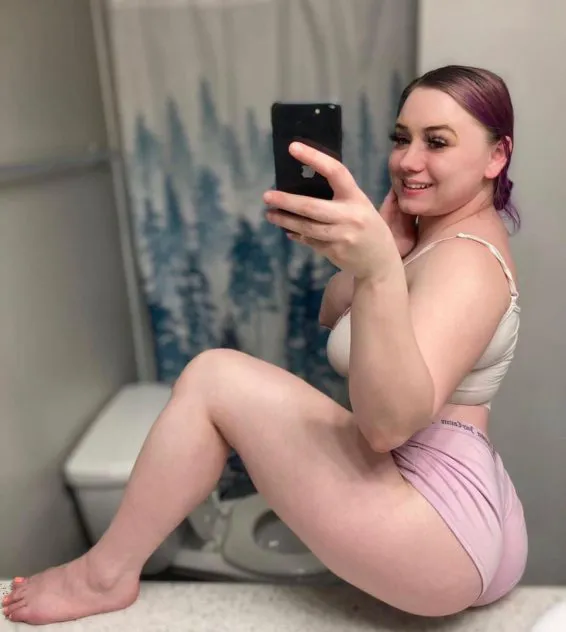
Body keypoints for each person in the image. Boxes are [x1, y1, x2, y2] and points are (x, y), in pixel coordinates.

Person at [2, 64, 528, 625]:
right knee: (217, 378)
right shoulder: (437, 238)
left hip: (438, 524)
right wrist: (387, 249)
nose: (407, 161)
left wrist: (379, 268)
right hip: (465, 501)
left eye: (437, 142)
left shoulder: (465, 262)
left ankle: (104, 576)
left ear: (496, 156)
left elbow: (386, 428)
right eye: (402, 138)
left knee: (213, 378)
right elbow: (335, 312)